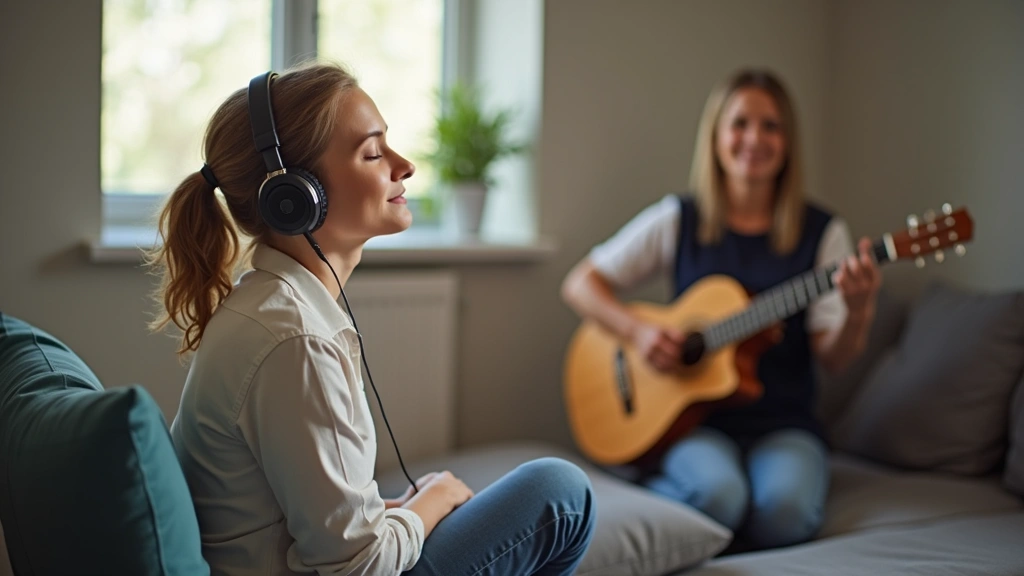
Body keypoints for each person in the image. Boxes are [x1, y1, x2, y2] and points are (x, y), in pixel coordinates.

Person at [148, 61, 594, 575]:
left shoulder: (274, 309)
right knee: (560, 494)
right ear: (294, 197)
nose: (404, 166)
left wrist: (400, 514)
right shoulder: (294, 341)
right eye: (374, 152)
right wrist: (435, 500)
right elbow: (358, 567)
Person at [560, 69, 880, 550]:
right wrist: (640, 333)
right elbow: (581, 283)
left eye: (770, 126)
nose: (755, 138)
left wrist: (857, 311)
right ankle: (650, 483)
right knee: (718, 496)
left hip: (783, 424)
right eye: (740, 124)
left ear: (788, 141)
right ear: (716, 136)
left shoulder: (823, 234)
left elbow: (833, 359)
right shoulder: (679, 219)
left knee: (786, 513)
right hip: (692, 424)